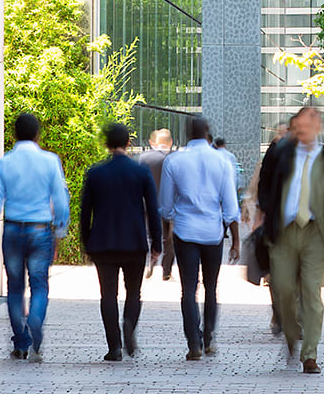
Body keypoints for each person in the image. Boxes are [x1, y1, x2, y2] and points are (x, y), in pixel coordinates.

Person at [257, 106, 324, 374]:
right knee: (282, 289)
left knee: (311, 292)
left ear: (319, 127)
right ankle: (291, 333)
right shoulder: (280, 154)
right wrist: (265, 213)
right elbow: (265, 185)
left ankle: (310, 355)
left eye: (309, 123)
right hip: (284, 231)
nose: (303, 129)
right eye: (299, 124)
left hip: (317, 234)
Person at [0, 113, 71, 363]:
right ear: (37, 134)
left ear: (13, 135)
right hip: (40, 229)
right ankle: (35, 321)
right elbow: (61, 200)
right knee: (39, 283)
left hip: (12, 230)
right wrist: (61, 229)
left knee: (15, 287)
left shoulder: (5, 163)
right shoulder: (50, 161)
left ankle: (21, 341)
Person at [159, 116, 243, 361]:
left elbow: (165, 206)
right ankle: (208, 338)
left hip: (185, 232)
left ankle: (193, 343)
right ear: (208, 132)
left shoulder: (174, 161)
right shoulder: (223, 161)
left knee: (188, 289)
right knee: (211, 288)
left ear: (186, 133)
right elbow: (230, 206)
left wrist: (170, 224)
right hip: (212, 233)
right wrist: (236, 240)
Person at [79, 123, 164, 361]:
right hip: (134, 242)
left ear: (106, 144)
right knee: (134, 292)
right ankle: (129, 324)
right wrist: (157, 243)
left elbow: (85, 213)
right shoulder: (141, 172)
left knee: (107, 295)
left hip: (103, 243)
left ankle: (114, 347)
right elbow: (153, 210)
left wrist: (86, 242)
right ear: (129, 143)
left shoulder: (95, 173)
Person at [136, 129, 175, 280]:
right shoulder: (172, 159)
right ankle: (166, 271)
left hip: (146, 204)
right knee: (168, 239)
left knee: (149, 235)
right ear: (170, 142)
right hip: (168, 205)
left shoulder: (143, 158)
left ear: (152, 143)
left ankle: (151, 261)